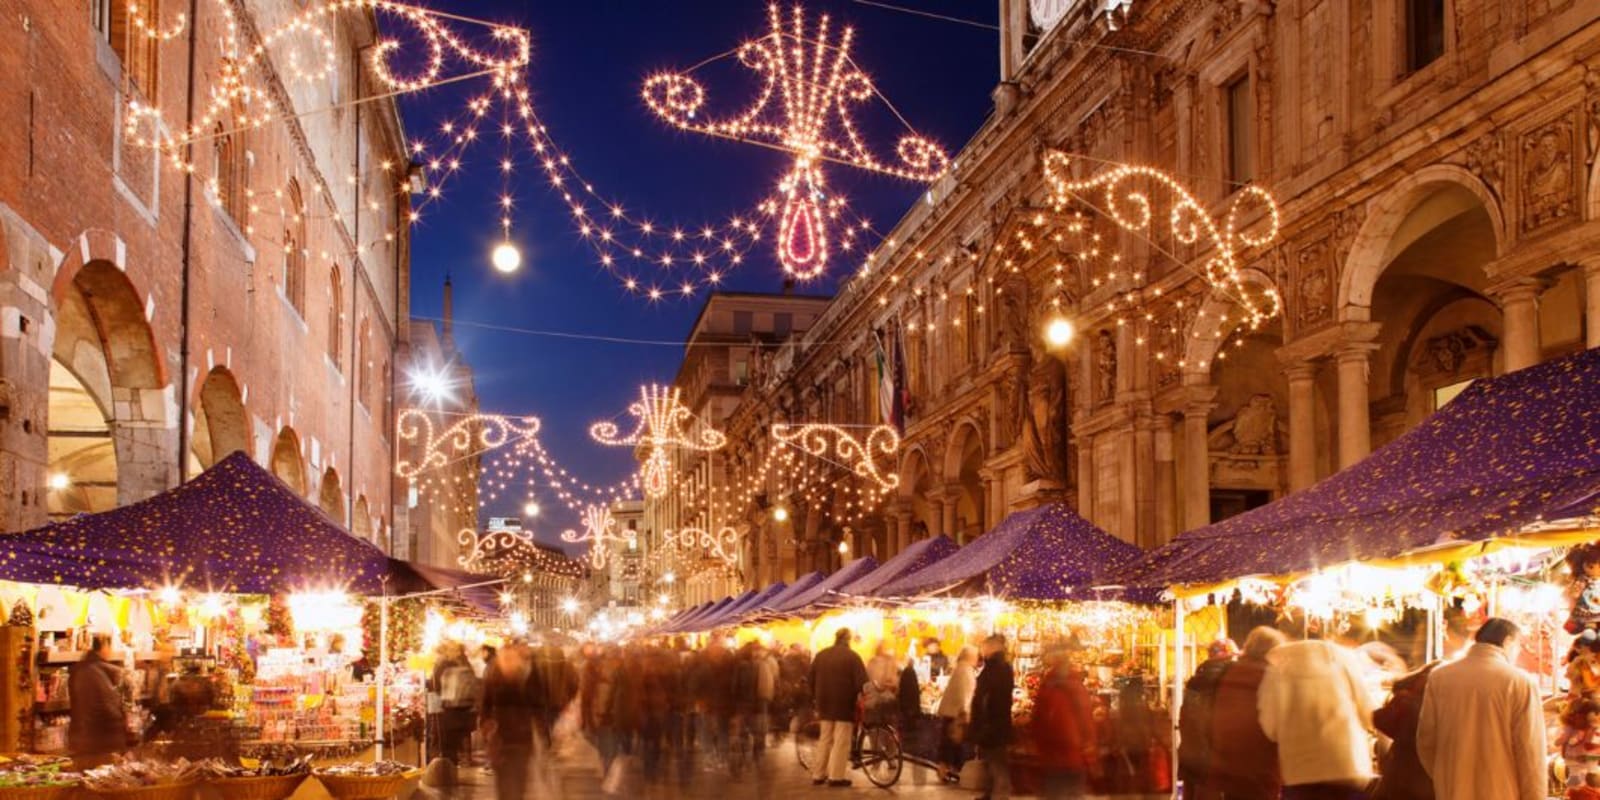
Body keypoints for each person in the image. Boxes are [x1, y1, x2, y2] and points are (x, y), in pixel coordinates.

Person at [1416, 617, 1547, 800]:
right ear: (1508, 641)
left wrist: (1446, 776)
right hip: (1502, 791)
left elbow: (1426, 740)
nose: (1517, 652)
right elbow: (1530, 752)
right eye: (1518, 646)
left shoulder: (1440, 677)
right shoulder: (1519, 682)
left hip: (1452, 790)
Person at [1257, 637, 1377, 800]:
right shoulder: (1345, 661)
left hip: (1300, 772)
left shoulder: (1277, 669)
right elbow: (1368, 712)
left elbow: (1270, 727)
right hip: (1346, 765)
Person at [1209, 627, 1287, 800]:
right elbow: (1275, 722)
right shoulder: (1268, 675)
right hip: (1259, 764)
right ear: (1272, 651)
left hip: (1229, 763)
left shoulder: (1232, 672)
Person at [479, 642, 544, 800]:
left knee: (511, 780)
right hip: (508, 736)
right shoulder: (523, 677)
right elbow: (538, 706)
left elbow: (484, 706)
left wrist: (485, 726)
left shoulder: (523, 677)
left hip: (511, 736)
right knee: (512, 780)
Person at [1031, 649, 1097, 800]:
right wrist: (1089, 747)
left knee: (1053, 793)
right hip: (1075, 755)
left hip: (1051, 757)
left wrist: (1038, 746)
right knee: (1074, 793)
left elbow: (1037, 722)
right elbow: (1087, 720)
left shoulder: (1046, 688)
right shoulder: (1078, 687)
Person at [809, 627, 869, 788]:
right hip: (844, 704)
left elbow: (810, 678)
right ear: (848, 639)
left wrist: (816, 697)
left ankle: (818, 774)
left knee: (825, 739)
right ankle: (836, 776)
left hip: (824, 703)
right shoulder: (852, 657)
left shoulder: (821, 655)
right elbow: (861, 683)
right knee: (841, 741)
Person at [1179, 639, 1238, 799]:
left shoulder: (1196, 680)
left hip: (1193, 752)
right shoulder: (1230, 681)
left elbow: (1184, 718)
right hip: (1216, 755)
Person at [1371, 662, 1439, 800]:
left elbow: (1379, 719)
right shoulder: (1435, 707)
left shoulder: (1406, 700)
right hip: (1424, 784)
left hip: (1397, 780)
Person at [68, 635, 127, 768]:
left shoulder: (80, 669)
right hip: (101, 740)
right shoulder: (98, 673)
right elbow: (107, 707)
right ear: (103, 645)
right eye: (110, 645)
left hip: (82, 737)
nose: (111, 650)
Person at [969, 634, 1016, 800]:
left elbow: (988, 697)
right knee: (991, 761)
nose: (982, 650)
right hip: (993, 723)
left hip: (993, 723)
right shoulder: (997, 667)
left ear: (992, 648)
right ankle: (990, 794)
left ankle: (1001, 795)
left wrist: (982, 720)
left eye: (984, 647)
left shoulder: (998, 669)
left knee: (997, 764)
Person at [937, 646, 978, 784]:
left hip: (950, 711)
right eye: (976, 656)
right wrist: (965, 711)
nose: (977, 659)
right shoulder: (966, 671)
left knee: (949, 743)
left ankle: (946, 770)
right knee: (952, 743)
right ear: (970, 657)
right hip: (956, 713)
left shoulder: (960, 668)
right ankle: (949, 770)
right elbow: (965, 694)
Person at [434, 642, 479, 770]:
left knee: (448, 739)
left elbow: (437, 686)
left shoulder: (444, 665)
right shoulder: (466, 663)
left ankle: (451, 765)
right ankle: (466, 758)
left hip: (450, 706)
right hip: (466, 706)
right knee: (464, 734)